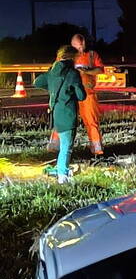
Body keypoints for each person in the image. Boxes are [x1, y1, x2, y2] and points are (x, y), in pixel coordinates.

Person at [34, 46, 87, 183]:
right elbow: (82, 96)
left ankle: (58, 169)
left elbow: (37, 82)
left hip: (56, 114)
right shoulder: (73, 73)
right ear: (72, 57)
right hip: (68, 115)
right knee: (66, 147)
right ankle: (62, 176)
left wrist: (52, 88)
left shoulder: (52, 71)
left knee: (64, 144)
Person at [47, 33, 105, 155]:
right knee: (62, 120)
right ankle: (55, 146)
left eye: (82, 46)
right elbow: (55, 70)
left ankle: (97, 148)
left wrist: (86, 71)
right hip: (69, 94)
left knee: (91, 120)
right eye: (78, 47)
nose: (81, 49)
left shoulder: (92, 55)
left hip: (87, 94)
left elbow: (100, 69)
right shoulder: (65, 56)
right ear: (72, 45)